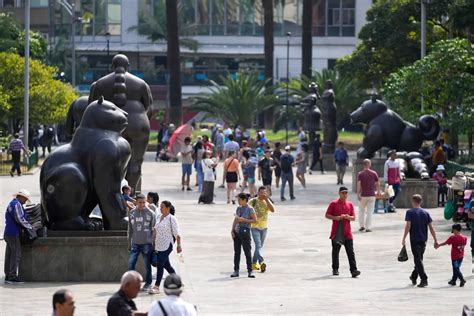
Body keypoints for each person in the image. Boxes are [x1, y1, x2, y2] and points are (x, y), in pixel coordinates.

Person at [401, 194, 439, 288]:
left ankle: (424, 279)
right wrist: (435, 240)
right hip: (423, 240)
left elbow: (408, 226)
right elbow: (431, 228)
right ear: (420, 202)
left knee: (418, 259)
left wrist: (404, 238)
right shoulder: (426, 213)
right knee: (419, 259)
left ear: (412, 201)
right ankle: (413, 276)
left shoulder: (410, 212)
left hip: (414, 239)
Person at [325, 186, 361, 278]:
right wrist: (336, 218)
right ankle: (335, 268)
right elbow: (327, 215)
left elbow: (353, 218)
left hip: (347, 233)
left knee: (350, 252)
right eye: (343, 193)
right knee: (335, 251)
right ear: (339, 193)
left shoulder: (350, 205)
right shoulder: (333, 204)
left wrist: (348, 217)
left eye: (346, 193)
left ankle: (353, 270)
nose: (344, 195)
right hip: (336, 232)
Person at [150, 200, 182, 294]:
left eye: (162, 207)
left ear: (168, 208)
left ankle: (156, 286)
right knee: (167, 265)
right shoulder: (159, 216)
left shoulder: (172, 219)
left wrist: (179, 246)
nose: (160, 208)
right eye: (160, 207)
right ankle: (177, 281)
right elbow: (155, 230)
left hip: (167, 245)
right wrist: (152, 240)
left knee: (160, 264)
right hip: (159, 245)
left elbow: (177, 234)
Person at [4, 189, 33, 284]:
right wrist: (30, 227)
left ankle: (8, 275)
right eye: (25, 199)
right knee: (16, 254)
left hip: (8, 232)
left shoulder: (11, 203)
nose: (25, 202)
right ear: (21, 197)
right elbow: (19, 219)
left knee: (9, 254)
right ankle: (12, 276)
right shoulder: (17, 204)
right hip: (13, 233)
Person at [128, 194, 156, 292]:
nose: (142, 204)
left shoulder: (151, 213)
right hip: (135, 243)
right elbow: (130, 229)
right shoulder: (132, 213)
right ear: (136, 202)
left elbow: (154, 230)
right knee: (131, 264)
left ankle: (148, 283)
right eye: (140, 202)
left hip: (146, 244)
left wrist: (154, 244)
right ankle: (131, 283)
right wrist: (129, 242)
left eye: (144, 202)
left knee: (147, 265)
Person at [231, 193, 257, 278]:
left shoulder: (250, 209)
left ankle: (250, 271)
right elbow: (236, 219)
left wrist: (244, 220)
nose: (238, 201)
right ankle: (236, 270)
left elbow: (255, 220)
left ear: (244, 200)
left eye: (239, 200)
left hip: (245, 232)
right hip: (237, 231)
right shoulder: (238, 208)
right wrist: (232, 229)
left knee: (247, 252)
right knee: (237, 252)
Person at [249, 187, 275, 272]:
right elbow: (247, 210)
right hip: (254, 227)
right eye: (261, 193)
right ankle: (261, 261)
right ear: (258, 193)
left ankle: (253, 263)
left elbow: (273, 210)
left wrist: (267, 200)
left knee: (259, 247)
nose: (263, 194)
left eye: (265, 193)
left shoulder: (267, 201)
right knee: (258, 245)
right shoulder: (253, 201)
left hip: (264, 228)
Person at [357, 159, 380, 232]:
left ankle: (362, 226)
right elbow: (377, 183)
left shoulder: (360, 174)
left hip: (363, 195)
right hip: (371, 195)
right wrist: (378, 191)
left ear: (363, 165)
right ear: (369, 164)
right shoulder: (374, 173)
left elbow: (359, 184)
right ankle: (368, 227)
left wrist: (358, 194)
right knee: (370, 212)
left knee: (361, 211)